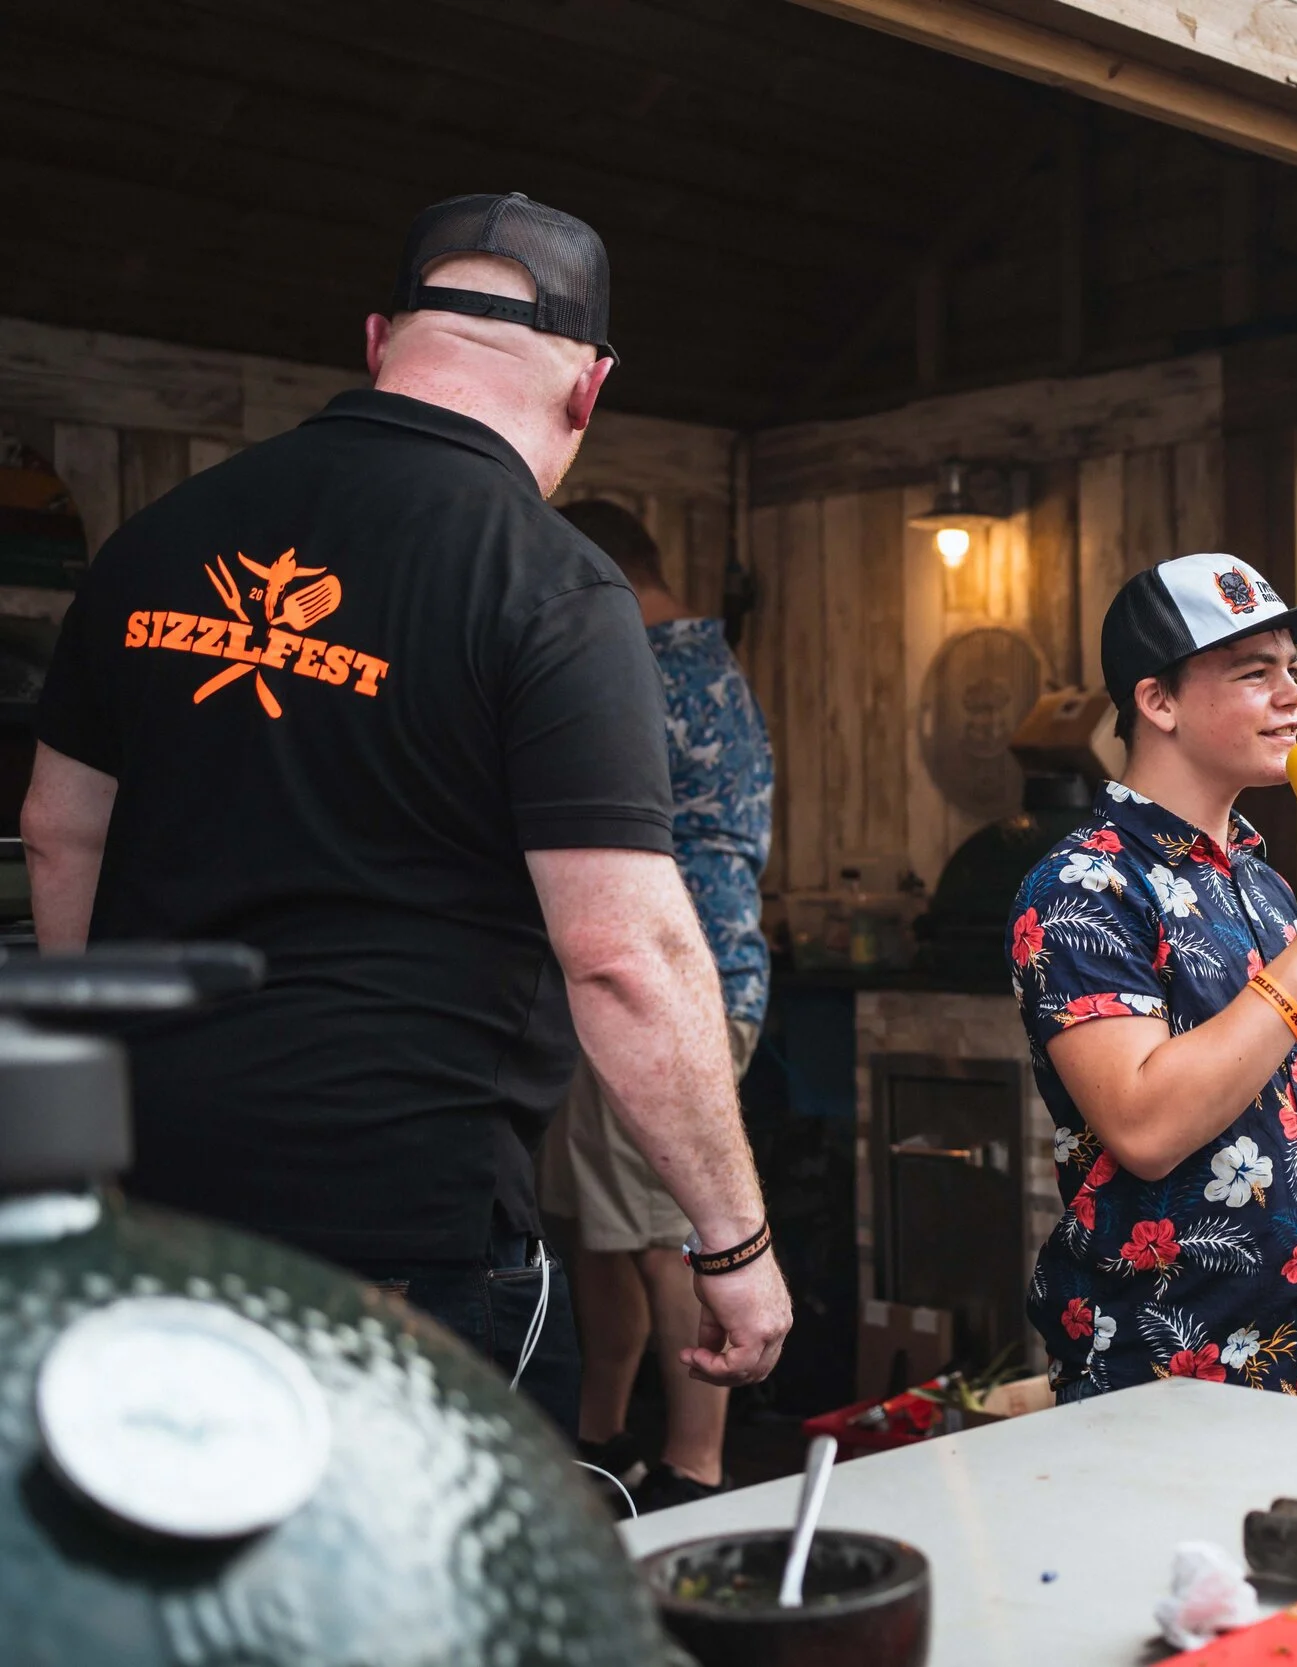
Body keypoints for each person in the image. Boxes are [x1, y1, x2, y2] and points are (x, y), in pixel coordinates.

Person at [20, 193, 790, 1432]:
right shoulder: (552, 585)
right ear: (589, 388)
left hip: (161, 1193)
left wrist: (116, 1104)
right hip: (400, 1232)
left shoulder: (155, 544)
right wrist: (732, 1240)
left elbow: (59, 830)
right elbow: (622, 951)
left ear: (379, 339)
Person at [1009, 553, 1297, 1403]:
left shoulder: (1262, 883)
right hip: (1169, 1380)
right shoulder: (1083, 885)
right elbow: (1146, 1125)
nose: (1294, 695)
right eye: (1253, 671)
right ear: (1157, 701)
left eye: (1293, 670)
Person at [540, 497, 772, 1509]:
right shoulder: (709, 663)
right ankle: (603, 1433)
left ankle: (692, 1465)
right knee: (609, 1221)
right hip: (702, 970)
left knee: (664, 1228)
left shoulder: (644, 669)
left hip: (666, 978)